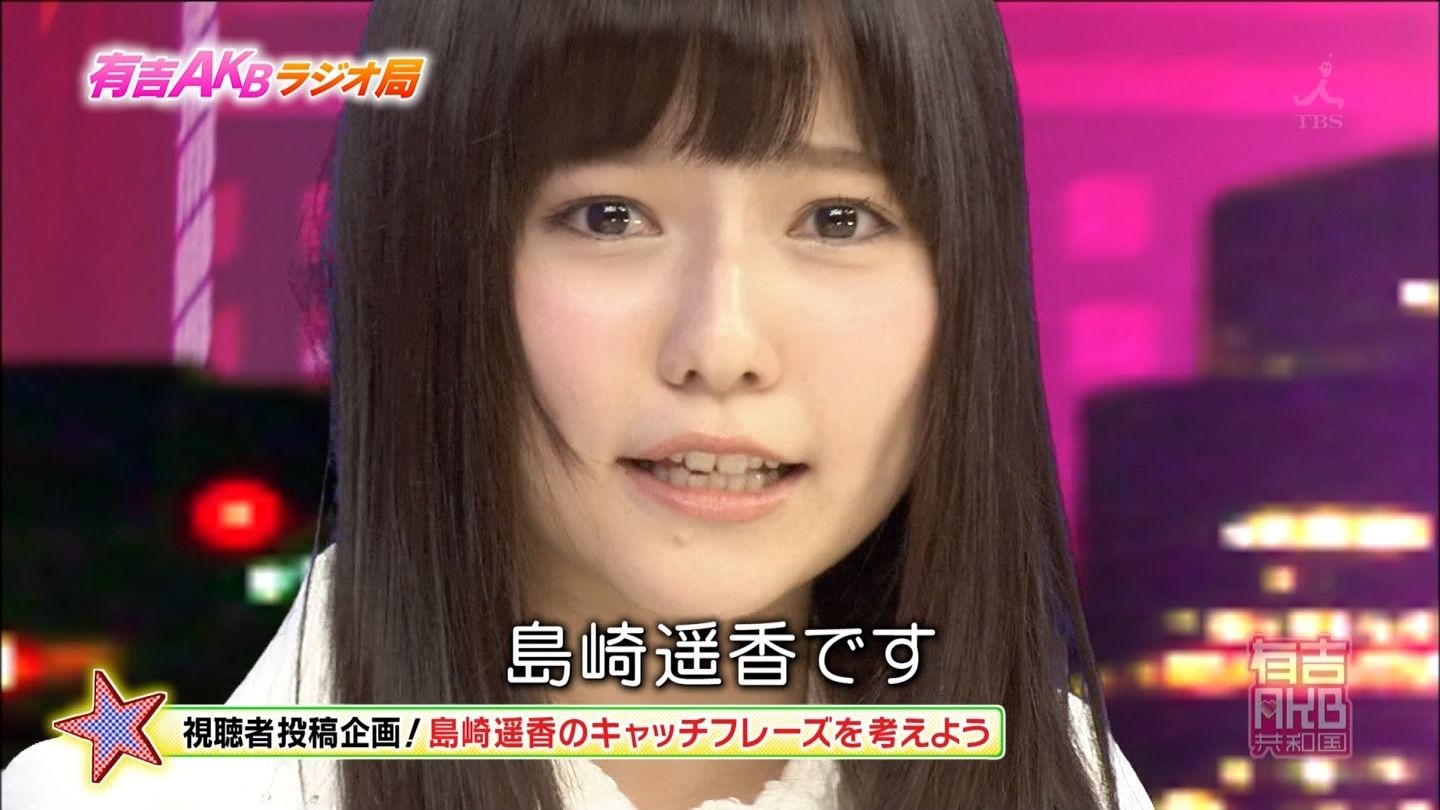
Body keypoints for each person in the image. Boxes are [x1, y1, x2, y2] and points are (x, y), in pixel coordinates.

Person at [4, 1, 1155, 807]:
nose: (722, 346)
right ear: (433, 267)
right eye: (608, 217)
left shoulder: (1071, 783)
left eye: (838, 219)